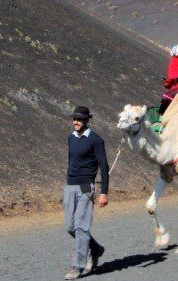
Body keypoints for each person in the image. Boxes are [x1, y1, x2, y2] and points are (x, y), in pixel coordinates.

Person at [64, 106, 109, 280]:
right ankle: (96, 249)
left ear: (86, 121)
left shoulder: (95, 140)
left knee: (81, 227)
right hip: (70, 185)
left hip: (86, 187)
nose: (75, 122)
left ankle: (77, 266)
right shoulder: (71, 138)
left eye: (79, 119)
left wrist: (103, 192)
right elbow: (71, 161)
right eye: (74, 119)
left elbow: (104, 167)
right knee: (70, 226)